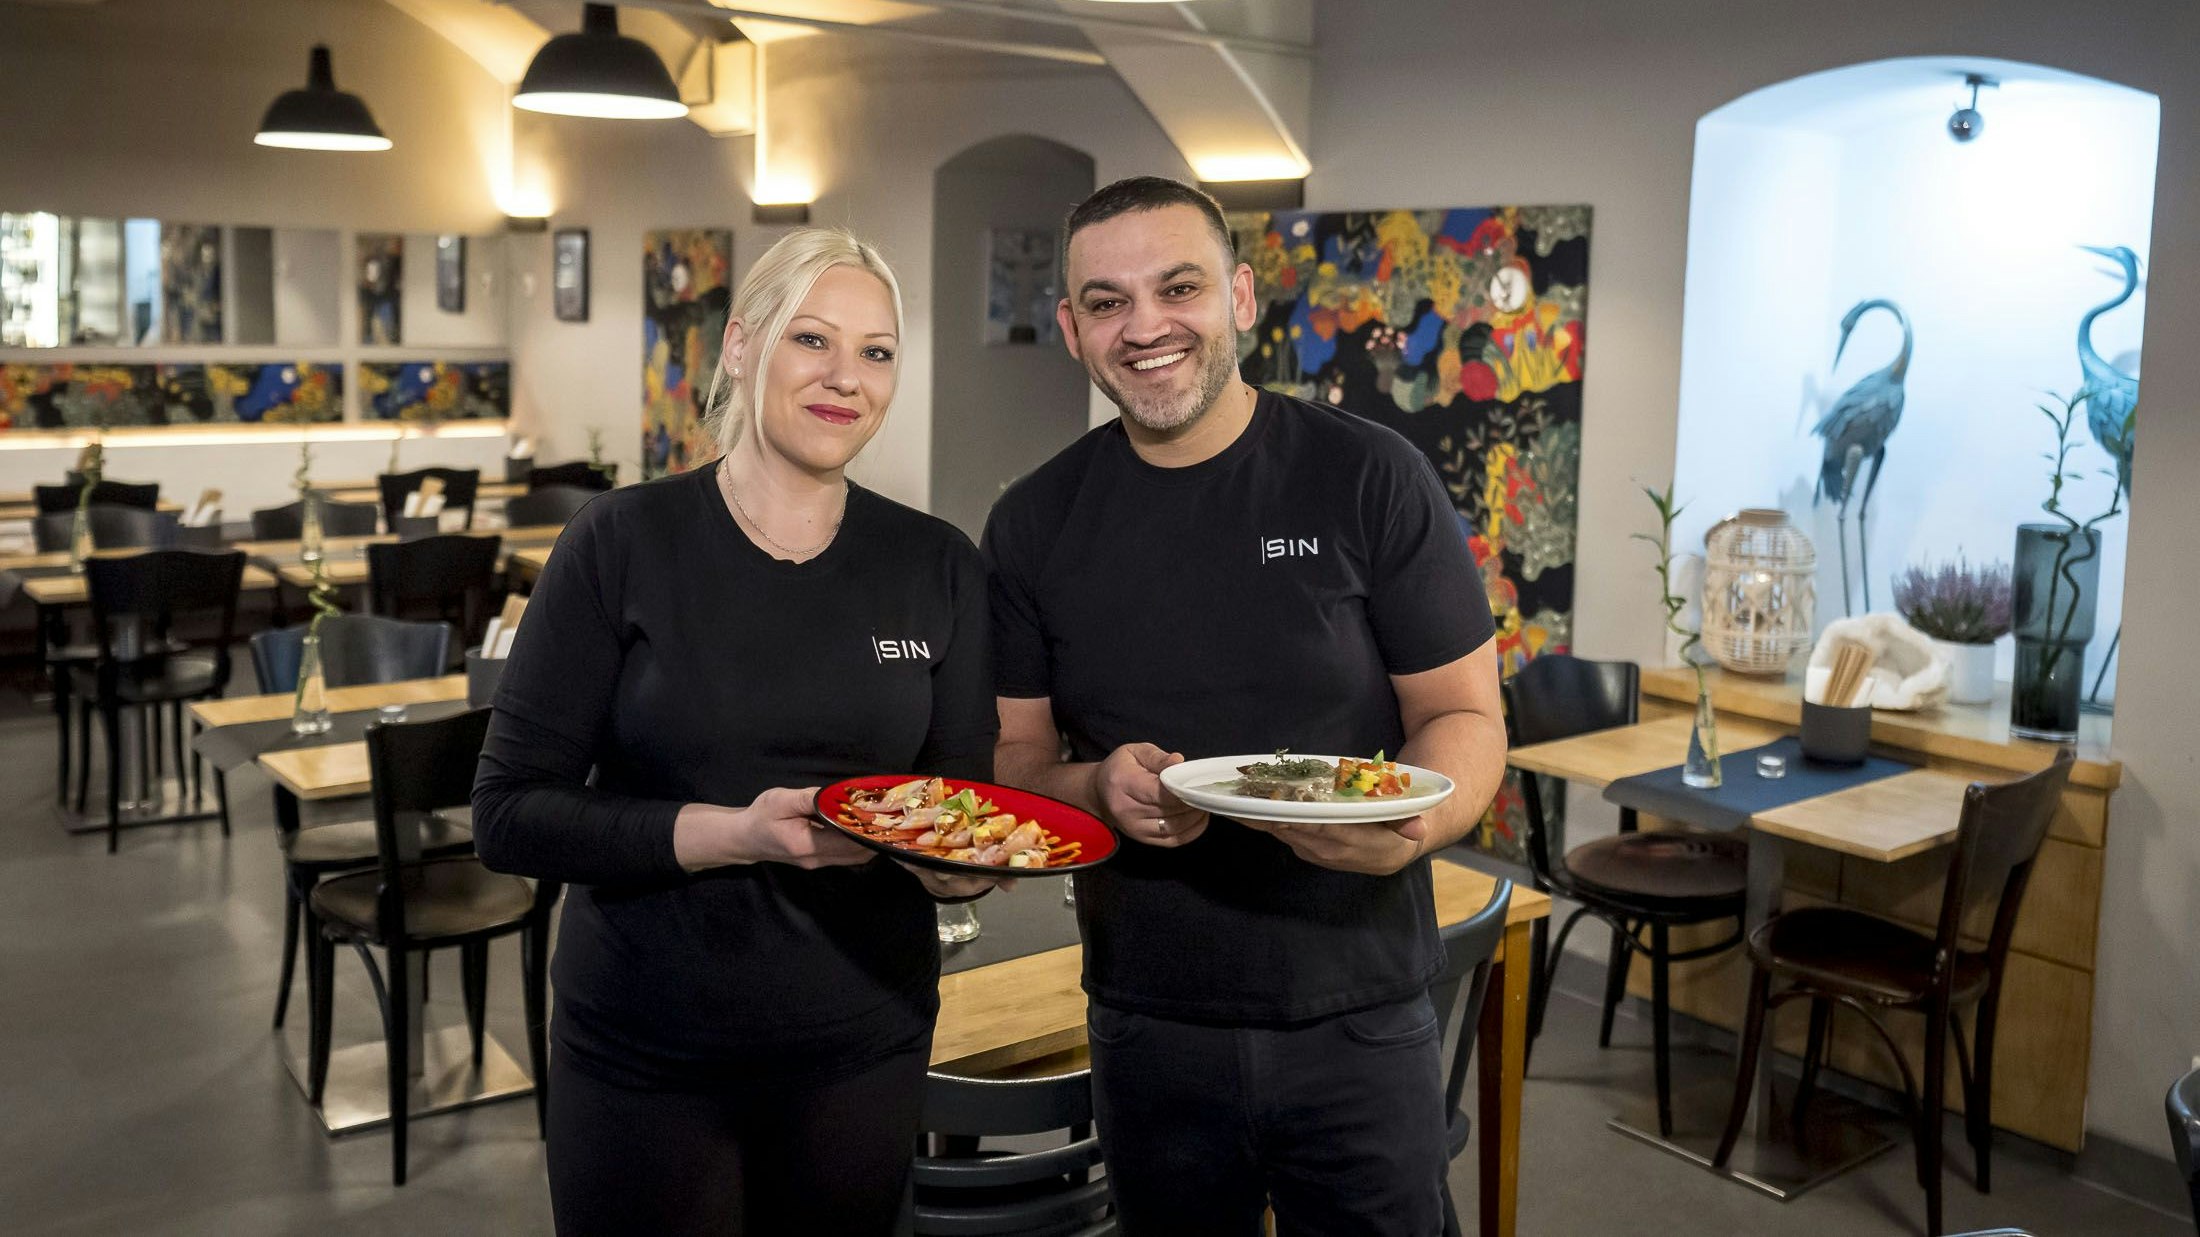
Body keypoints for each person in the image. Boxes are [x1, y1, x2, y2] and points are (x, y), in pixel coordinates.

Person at [983, 177, 1507, 1236]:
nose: (1145, 327)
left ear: (1242, 297)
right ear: (1076, 332)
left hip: (1359, 1007)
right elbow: (1013, 757)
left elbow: (1467, 718)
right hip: (1146, 1015)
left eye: (1176, 286)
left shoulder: (1369, 477)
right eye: (1106, 302)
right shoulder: (1033, 521)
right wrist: (1094, 786)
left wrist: (1415, 828)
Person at [473, 228, 997, 1236]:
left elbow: (958, 798)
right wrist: (737, 832)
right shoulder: (619, 542)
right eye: (813, 340)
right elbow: (508, 816)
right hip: (643, 1050)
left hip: (864, 1039)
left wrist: (960, 862)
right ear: (741, 348)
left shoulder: (937, 564)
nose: (847, 377)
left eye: (877, 352)